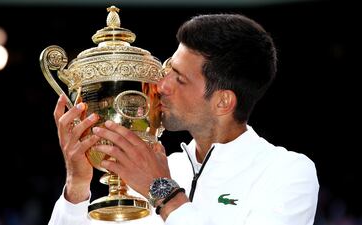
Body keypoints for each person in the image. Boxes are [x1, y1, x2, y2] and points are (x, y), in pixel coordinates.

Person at [48, 13, 319, 225]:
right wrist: (77, 187)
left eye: (179, 78)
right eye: (168, 69)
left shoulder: (287, 173)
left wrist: (162, 192)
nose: (161, 85)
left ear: (222, 101)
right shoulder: (152, 167)